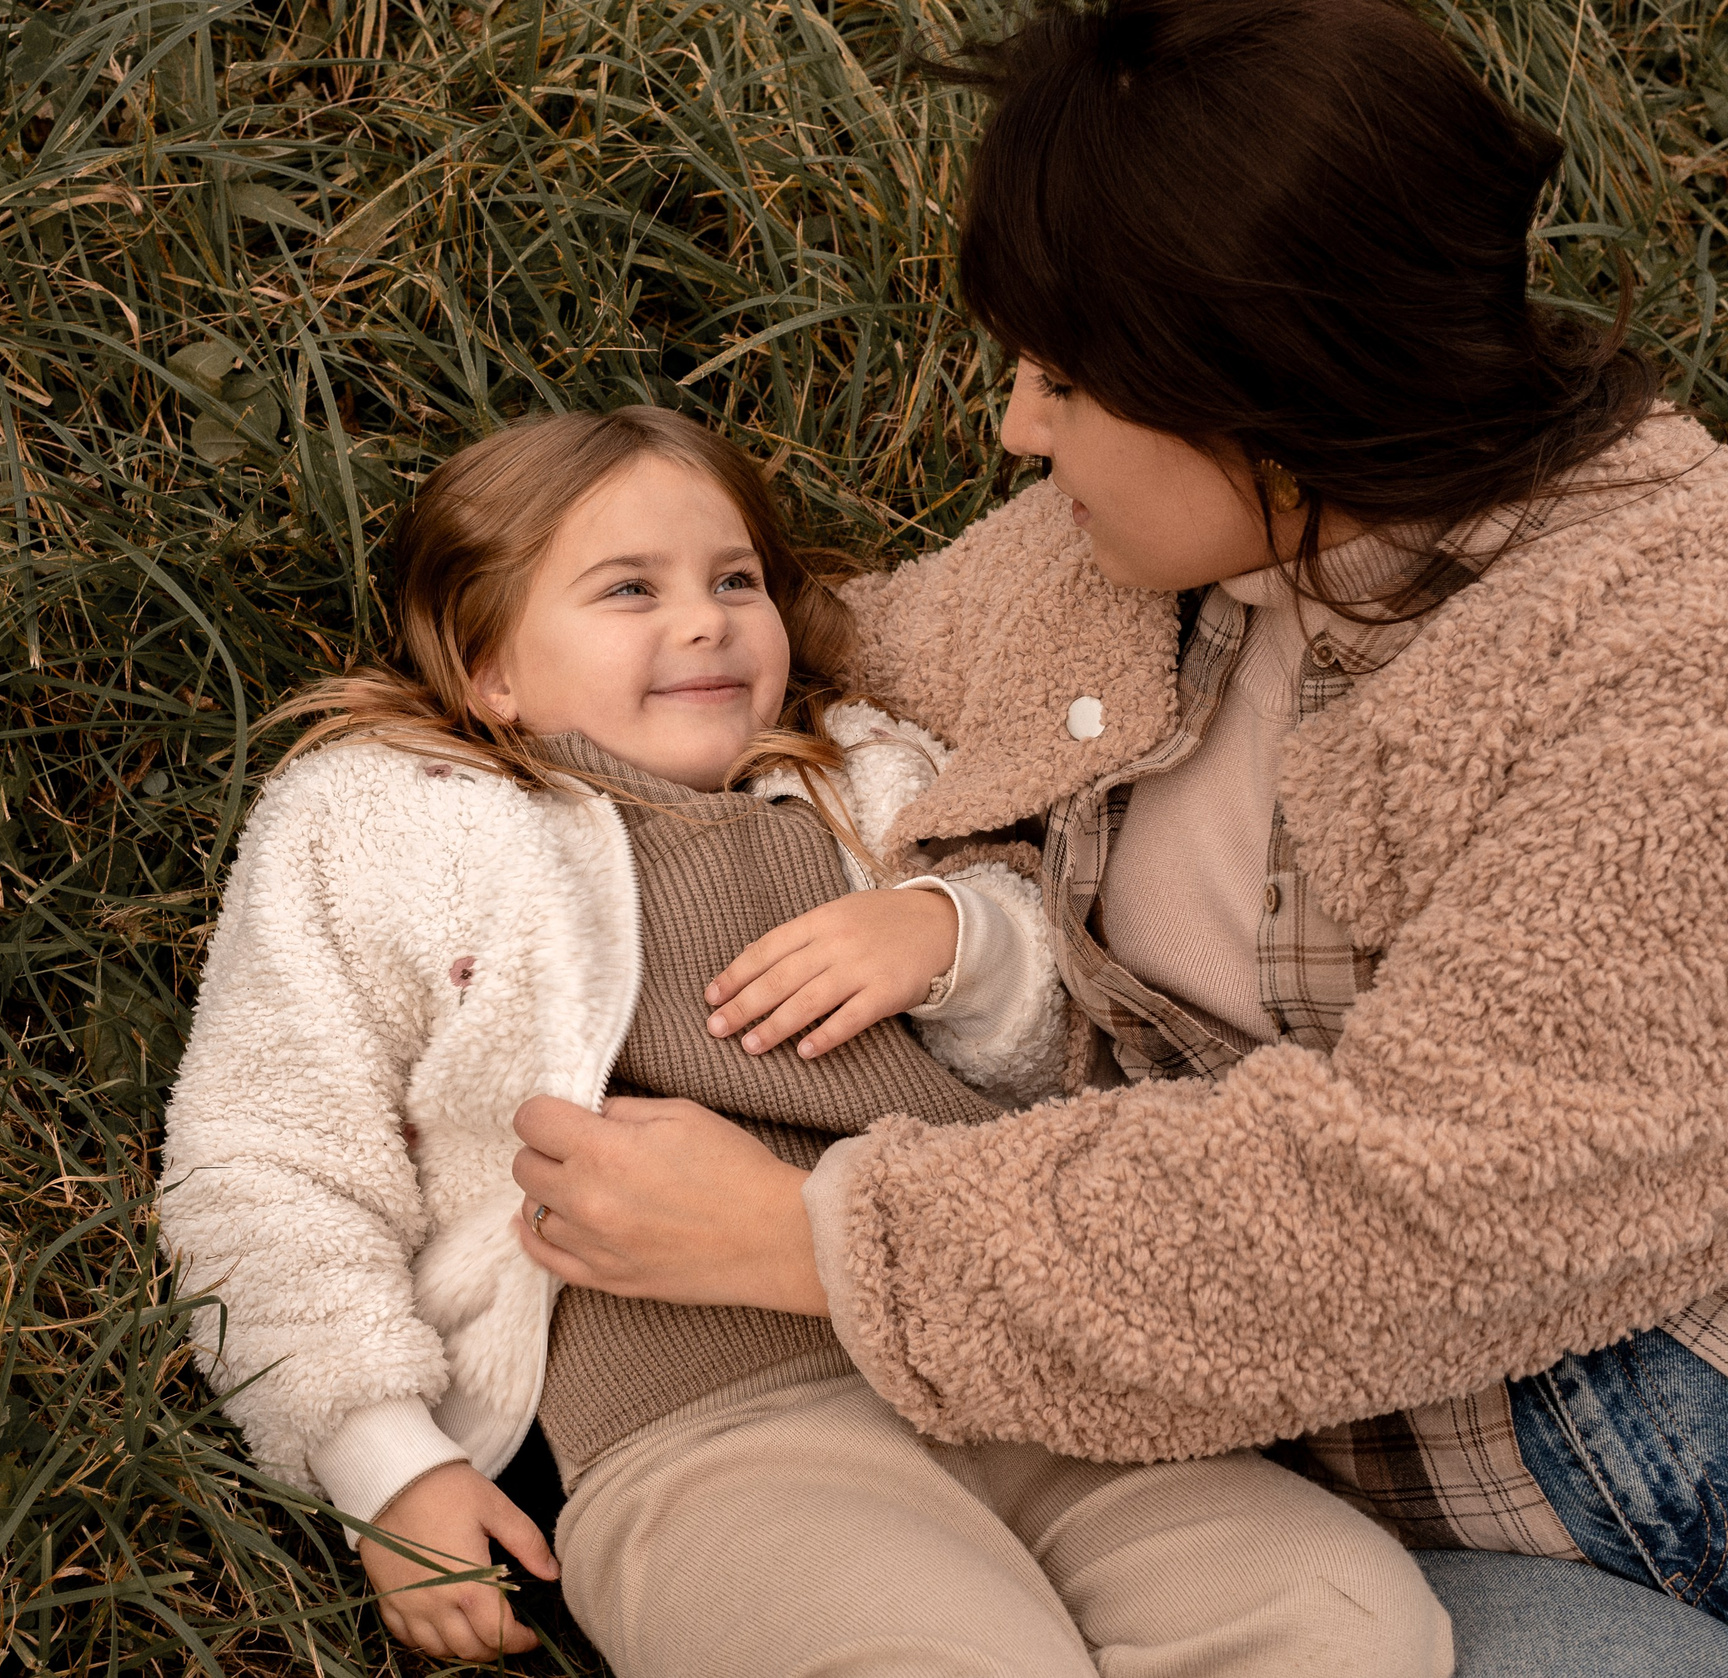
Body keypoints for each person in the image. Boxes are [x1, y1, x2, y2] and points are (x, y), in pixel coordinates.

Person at [503, 1, 1728, 1669]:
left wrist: (815, 1239)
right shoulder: (1147, 555)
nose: (1018, 428)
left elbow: (1423, 1212)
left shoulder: (1662, 665)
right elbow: (828, 650)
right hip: (1275, 1433)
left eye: (1068, 382)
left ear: (1265, 386)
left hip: (1628, 1449)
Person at [160, 406, 1452, 1675]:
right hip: (700, 1421)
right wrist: (386, 1462)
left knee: (1348, 1618)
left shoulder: (867, 774)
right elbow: (269, 1154)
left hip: (1008, 1362)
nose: (705, 619)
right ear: (488, 665)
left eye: (736, 580)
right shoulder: (385, 823)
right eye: (629, 589)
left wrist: (952, 935)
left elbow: (1065, 1045)